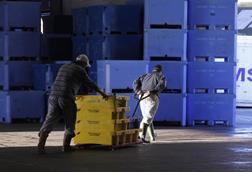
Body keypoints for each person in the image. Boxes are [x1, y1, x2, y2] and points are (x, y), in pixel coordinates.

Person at [38, 54, 108, 153]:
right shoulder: (80, 70)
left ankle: (41, 146)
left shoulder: (64, 66)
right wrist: (102, 93)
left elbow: (67, 80)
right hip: (66, 97)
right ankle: (66, 147)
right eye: (85, 66)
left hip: (53, 96)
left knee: (49, 120)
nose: (85, 68)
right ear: (83, 63)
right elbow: (89, 83)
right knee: (70, 121)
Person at [133, 65, 166, 143]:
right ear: (160, 70)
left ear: (153, 70)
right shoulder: (160, 75)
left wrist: (137, 90)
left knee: (147, 117)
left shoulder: (146, 75)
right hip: (152, 96)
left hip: (142, 96)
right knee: (148, 117)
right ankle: (142, 136)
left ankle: (152, 137)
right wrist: (154, 90)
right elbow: (162, 84)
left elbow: (135, 82)